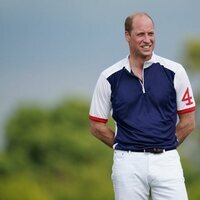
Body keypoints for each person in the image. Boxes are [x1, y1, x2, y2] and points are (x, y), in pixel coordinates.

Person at [89, 12, 196, 200]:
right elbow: (96, 126)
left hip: (167, 161)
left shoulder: (175, 71)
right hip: (127, 163)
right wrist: (121, 145)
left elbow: (188, 122)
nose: (147, 40)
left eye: (151, 34)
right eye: (141, 34)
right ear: (127, 36)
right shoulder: (109, 77)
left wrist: (167, 144)